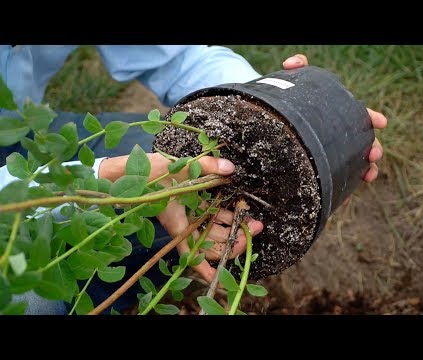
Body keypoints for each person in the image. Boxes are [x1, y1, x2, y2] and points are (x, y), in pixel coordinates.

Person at [0, 46, 387, 314]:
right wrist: (101, 179)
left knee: (162, 156)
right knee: (32, 301)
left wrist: (272, 105)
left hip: (19, 127)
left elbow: (178, 56)